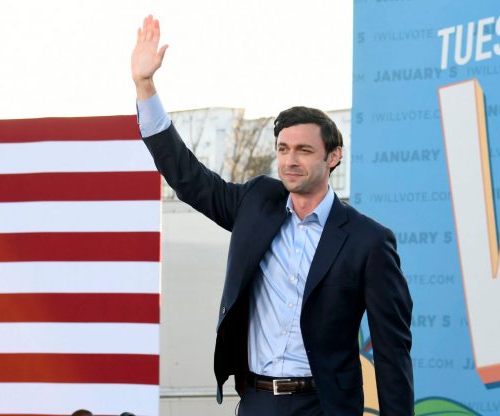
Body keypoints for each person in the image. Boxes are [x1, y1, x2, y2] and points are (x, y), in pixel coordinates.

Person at [132, 15, 413, 416]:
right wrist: (145, 86)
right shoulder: (256, 203)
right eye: (283, 149)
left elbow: (391, 351)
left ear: (334, 156)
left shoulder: (368, 241)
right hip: (258, 401)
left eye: (304, 150)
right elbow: (189, 178)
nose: (290, 160)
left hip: (325, 406)